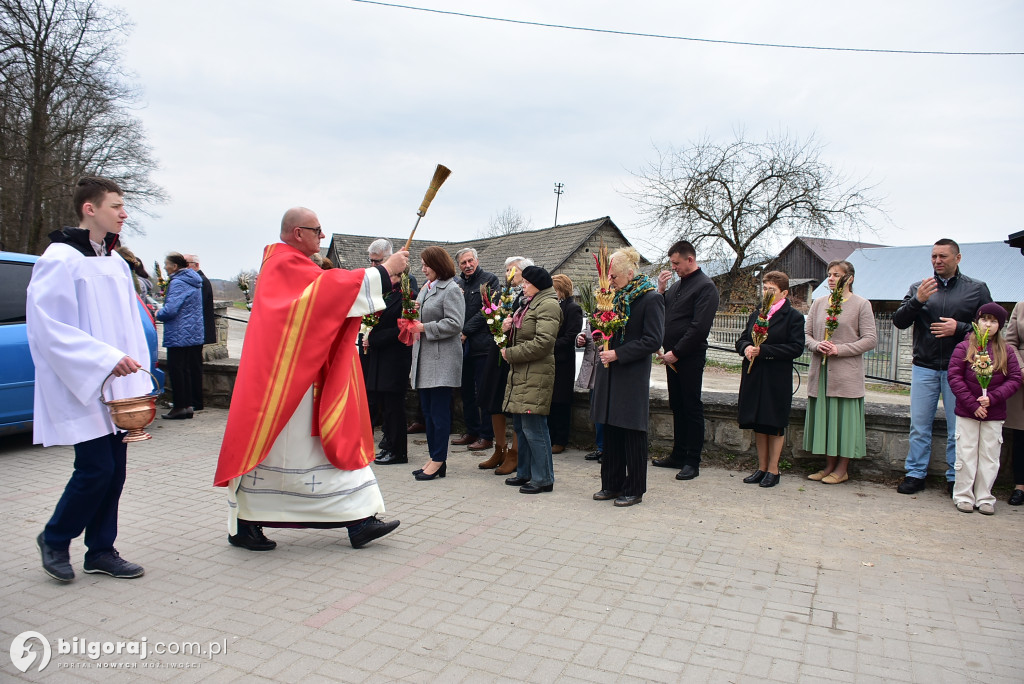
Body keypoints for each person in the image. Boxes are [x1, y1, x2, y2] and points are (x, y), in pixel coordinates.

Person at [214, 207, 408, 551]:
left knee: (325, 448)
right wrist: (382, 271)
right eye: (317, 230)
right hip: (289, 386)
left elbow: (327, 297)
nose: (322, 236)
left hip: (303, 381)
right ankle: (247, 523)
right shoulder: (282, 264)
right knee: (287, 453)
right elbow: (325, 294)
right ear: (297, 233)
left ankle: (359, 519)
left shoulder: (294, 264)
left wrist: (382, 277)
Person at [27, 176, 151, 582]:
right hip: (82, 381)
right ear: (90, 208)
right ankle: (54, 538)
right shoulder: (60, 259)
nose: (124, 213)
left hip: (119, 384)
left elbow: (129, 323)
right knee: (95, 469)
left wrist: (137, 375)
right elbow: (48, 326)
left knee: (114, 472)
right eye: (116, 206)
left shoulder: (114, 262)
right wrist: (105, 359)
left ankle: (100, 550)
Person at [892, 239, 993, 496]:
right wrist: (917, 300)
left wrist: (959, 328)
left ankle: (955, 477)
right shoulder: (920, 288)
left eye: (943, 256)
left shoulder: (977, 289)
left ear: (957, 258)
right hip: (924, 366)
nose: (937, 261)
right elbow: (899, 321)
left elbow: (989, 328)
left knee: (957, 428)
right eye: (934, 256)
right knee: (919, 426)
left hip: (960, 369)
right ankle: (915, 474)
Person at [590, 247, 665, 506]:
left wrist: (618, 354)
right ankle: (611, 484)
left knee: (632, 432)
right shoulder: (611, 297)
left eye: (613, 276)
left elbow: (653, 340)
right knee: (611, 429)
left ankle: (634, 489)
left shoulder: (650, 299)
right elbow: (603, 328)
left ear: (630, 274)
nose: (609, 281)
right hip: (609, 374)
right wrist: (597, 335)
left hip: (631, 375)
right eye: (608, 276)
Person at [803, 261, 878, 484]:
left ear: (850, 278)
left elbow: (870, 339)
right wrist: (817, 345)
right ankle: (828, 466)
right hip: (822, 374)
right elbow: (806, 334)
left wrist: (840, 349)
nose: (831, 278)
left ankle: (842, 469)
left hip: (845, 375)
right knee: (826, 420)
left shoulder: (861, 304)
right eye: (829, 274)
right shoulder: (818, 303)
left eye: (837, 274)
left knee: (843, 422)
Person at [651, 240, 720, 481]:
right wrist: (661, 289)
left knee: (691, 407)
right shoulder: (677, 286)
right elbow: (662, 311)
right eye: (672, 263)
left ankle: (693, 460)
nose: (674, 267)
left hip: (689, 356)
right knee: (677, 405)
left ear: (690, 259)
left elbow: (699, 328)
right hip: (672, 356)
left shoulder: (706, 287)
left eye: (676, 263)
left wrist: (677, 352)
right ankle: (678, 454)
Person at [948, 304, 1021, 514]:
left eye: (993, 321)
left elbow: (1014, 378)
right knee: (966, 453)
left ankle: (985, 497)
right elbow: (955, 377)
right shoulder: (964, 347)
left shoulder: (1006, 351)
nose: (988, 324)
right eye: (984, 319)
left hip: (993, 413)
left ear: (1000, 325)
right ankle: (963, 495)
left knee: (989, 456)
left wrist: (993, 398)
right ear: (977, 321)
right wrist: (973, 404)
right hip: (968, 412)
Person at [736, 271, 805, 488]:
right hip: (755, 375)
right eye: (764, 288)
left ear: (784, 293)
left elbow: (796, 348)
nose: (766, 293)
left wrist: (764, 351)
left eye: (771, 290)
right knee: (759, 422)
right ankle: (761, 467)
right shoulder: (757, 313)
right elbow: (742, 339)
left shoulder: (792, 317)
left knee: (773, 423)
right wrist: (747, 348)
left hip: (776, 377)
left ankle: (773, 469)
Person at [501, 266, 562, 493]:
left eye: (526, 283)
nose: (523, 286)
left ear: (537, 284)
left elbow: (544, 342)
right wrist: (506, 330)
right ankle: (525, 472)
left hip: (536, 372)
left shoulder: (548, 304)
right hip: (522, 372)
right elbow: (522, 335)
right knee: (521, 427)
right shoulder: (529, 303)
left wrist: (511, 354)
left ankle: (543, 478)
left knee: (534, 427)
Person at [409, 246, 465, 480]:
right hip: (425, 359)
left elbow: (455, 323)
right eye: (422, 265)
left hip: (442, 361)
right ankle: (434, 458)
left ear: (438, 265)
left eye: (426, 265)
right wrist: (412, 312)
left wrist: (425, 327)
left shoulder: (451, 289)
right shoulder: (427, 288)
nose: (423, 269)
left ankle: (439, 458)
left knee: (439, 414)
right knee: (428, 413)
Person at [364, 240, 416, 466]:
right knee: (384, 405)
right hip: (379, 356)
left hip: (395, 356)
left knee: (394, 406)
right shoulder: (383, 290)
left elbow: (403, 326)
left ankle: (398, 451)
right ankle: (389, 445)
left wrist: (374, 337)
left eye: (378, 262)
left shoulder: (406, 292)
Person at [478, 256, 531, 475]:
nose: (509, 274)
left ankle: (515, 454)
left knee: (514, 405)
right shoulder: (501, 295)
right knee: (494, 401)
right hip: (497, 350)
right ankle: (500, 448)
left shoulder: (528, 296)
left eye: (513, 270)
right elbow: (490, 320)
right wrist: (496, 322)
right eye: (507, 270)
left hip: (515, 354)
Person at [452, 247, 499, 451]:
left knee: (484, 391)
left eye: (470, 261)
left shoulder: (489, 280)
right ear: (459, 265)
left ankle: (486, 436)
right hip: (462, 346)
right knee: (466, 392)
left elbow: (487, 310)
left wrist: (465, 331)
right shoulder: (458, 284)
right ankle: (471, 430)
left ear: (477, 261)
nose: (468, 265)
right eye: (463, 263)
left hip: (482, 345)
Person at [156, 252, 204, 420]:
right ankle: (188, 405)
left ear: (175, 266)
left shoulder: (178, 282)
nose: (165, 267)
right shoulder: (194, 281)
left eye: (166, 264)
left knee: (177, 370)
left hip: (179, 333)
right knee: (185, 370)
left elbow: (171, 310)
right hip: (192, 332)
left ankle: (179, 406)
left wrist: (157, 313)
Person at [548, 274, 583, 453]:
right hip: (550, 361)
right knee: (550, 402)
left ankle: (560, 440)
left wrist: (548, 345)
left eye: (554, 290)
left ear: (561, 290)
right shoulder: (553, 306)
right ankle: (550, 437)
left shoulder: (573, 308)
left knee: (560, 402)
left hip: (563, 361)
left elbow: (571, 336)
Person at [184, 254, 216, 410]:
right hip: (195, 330)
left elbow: (196, 306)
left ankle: (195, 401)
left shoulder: (201, 281)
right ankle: (192, 400)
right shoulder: (198, 280)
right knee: (191, 365)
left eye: (186, 264)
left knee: (194, 366)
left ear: (196, 265)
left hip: (197, 330)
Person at [575, 318, 604, 462]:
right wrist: (580, 338)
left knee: (604, 410)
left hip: (605, 369)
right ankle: (601, 448)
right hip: (593, 371)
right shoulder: (595, 314)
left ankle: (608, 448)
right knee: (596, 410)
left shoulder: (617, 312)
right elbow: (587, 332)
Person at [1005, 300, 1024, 505]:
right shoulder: (1021, 306)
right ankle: (1020, 486)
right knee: (1021, 437)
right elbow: (1010, 342)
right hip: (1023, 379)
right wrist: (1021, 369)